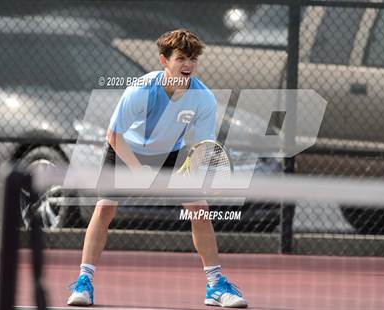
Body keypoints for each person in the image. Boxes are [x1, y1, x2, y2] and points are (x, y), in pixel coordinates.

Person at [67, 29, 248, 308]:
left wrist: (195, 168)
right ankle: (84, 282)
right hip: (126, 149)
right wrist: (139, 172)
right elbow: (114, 135)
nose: (187, 65)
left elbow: (201, 145)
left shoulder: (204, 98)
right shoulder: (141, 90)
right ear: (164, 60)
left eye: (192, 59)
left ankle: (215, 286)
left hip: (170, 154)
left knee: (199, 209)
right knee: (104, 208)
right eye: (181, 58)